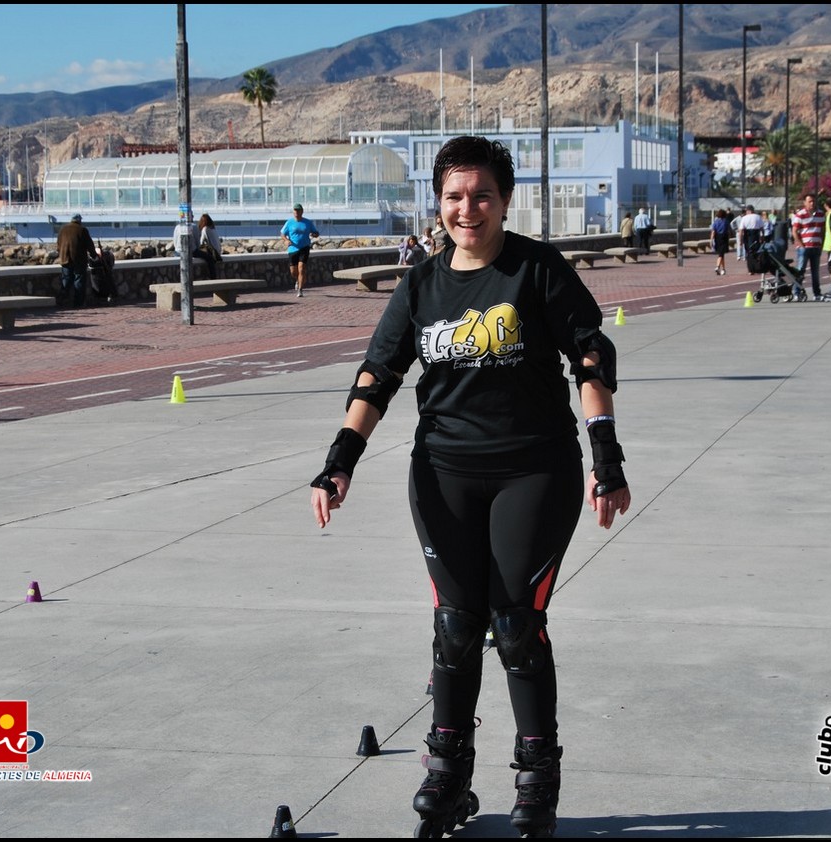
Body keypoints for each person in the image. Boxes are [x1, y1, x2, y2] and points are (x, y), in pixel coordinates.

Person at [307, 136, 631, 838]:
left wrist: (606, 458)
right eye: (454, 196)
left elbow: (589, 357)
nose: (468, 209)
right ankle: (447, 776)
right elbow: (377, 375)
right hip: (443, 473)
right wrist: (340, 461)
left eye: (482, 195)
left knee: (516, 626)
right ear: (438, 203)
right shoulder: (422, 284)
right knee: (455, 627)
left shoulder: (536, 269)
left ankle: (537, 780)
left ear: (505, 200)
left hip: (534, 470)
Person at [57, 213, 98, 308]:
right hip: (79, 260)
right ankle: (78, 303)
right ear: (79, 220)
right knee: (79, 280)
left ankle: (62, 300)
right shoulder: (82, 230)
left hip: (65, 259)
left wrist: (61, 254)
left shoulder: (63, 229)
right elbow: (90, 245)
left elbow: (58, 245)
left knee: (66, 280)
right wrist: (94, 256)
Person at [791, 192, 826, 300]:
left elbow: (823, 230)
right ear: (805, 203)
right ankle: (796, 292)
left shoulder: (820, 214)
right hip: (804, 248)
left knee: (815, 272)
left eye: (813, 201)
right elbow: (794, 231)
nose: (812, 203)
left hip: (816, 247)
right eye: (810, 201)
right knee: (800, 270)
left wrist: (821, 244)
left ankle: (817, 293)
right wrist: (801, 245)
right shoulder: (800, 215)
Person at [281, 203, 320, 297]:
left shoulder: (308, 222)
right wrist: (286, 240)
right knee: (293, 272)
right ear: (293, 211)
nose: (296, 212)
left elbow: (316, 233)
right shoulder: (289, 222)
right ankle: (297, 280)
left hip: (304, 248)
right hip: (293, 249)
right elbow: (282, 234)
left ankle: (300, 290)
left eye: (298, 210)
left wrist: (314, 234)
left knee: (301, 269)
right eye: (295, 210)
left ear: (302, 211)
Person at [193, 213, 223, 280]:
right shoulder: (213, 228)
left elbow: (201, 242)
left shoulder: (205, 229)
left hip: (214, 252)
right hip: (218, 251)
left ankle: (213, 277)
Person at [737, 204, 762, 269]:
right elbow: (762, 229)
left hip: (747, 236)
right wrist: (762, 237)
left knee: (749, 252)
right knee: (756, 251)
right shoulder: (758, 217)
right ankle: (756, 266)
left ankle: (750, 268)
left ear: (748, 211)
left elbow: (741, 230)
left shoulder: (744, 218)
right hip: (756, 235)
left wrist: (740, 240)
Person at [709, 209, 730, 276]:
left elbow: (713, 231)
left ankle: (723, 269)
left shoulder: (715, 222)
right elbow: (728, 231)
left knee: (721, 254)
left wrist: (711, 240)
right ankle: (717, 266)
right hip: (724, 238)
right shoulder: (726, 221)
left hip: (717, 238)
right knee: (721, 254)